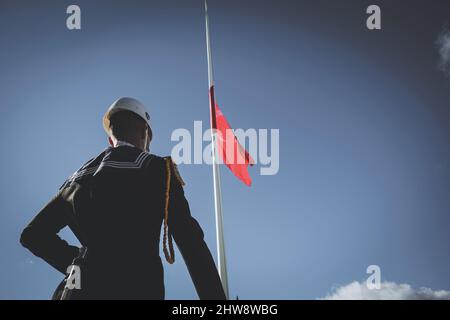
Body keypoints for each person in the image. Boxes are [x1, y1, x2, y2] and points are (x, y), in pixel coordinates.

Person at [20, 97, 226, 300]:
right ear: (145, 133)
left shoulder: (75, 179)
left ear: (111, 138)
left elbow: (32, 235)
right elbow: (191, 243)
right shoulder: (157, 168)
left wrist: (82, 266)